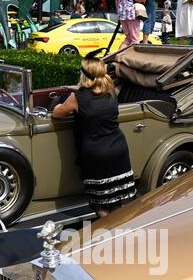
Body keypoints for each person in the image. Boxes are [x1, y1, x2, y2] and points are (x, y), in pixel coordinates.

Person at [50, 56, 137, 217]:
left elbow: (57, 113)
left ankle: (107, 235)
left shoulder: (77, 97)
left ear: (83, 75)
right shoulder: (111, 92)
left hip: (96, 154)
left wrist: (58, 102)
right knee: (117, 202)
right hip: (118, 149)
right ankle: (119, 234)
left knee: (101, 205)